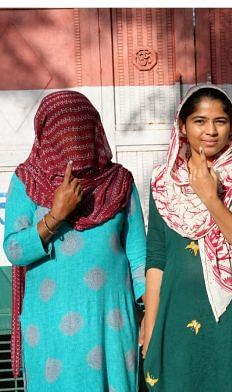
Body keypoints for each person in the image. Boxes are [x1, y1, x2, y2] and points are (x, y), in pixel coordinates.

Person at [3, 90, 146, 391]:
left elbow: (138, 257)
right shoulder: (28, 180)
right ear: (45, 134)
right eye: (60, 130)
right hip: (51, 327)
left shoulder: (118, 182)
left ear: (93, 129)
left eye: (79, 129)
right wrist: (56, 215)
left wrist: (151, 314)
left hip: (111, 321)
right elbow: (15, 250)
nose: (71, 143)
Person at [141, 85, 232, 391]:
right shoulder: (163, 181)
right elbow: (157, 258)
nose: (210, 131)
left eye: (220, 121)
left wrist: (210, 196)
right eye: (199, 121)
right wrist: (152, 324)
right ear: (182, 126)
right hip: (177, 309)